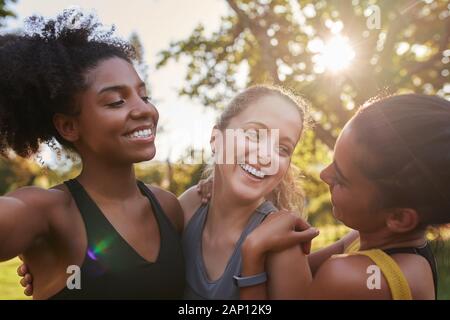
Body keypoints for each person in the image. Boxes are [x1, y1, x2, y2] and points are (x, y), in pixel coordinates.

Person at [0, 9, 185, 299]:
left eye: (144, 95)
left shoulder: (170, 208)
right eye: (116, 101)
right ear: (69, 126)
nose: (145, 109)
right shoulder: (46, 212)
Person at [241, 94, 448, 300]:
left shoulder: (345, 277)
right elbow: (293, 278)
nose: (324, 175)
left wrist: (253, 252)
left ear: (399, 218)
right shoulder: (363, 240)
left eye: (340, 179)